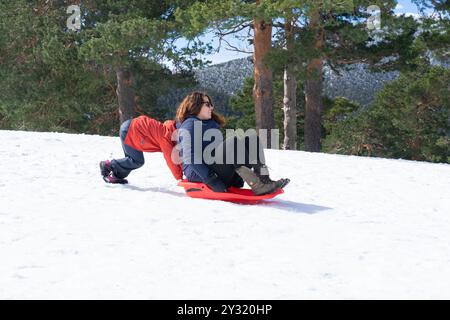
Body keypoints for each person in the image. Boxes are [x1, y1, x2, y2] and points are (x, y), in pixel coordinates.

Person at [176, 91, 289, 195]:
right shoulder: (190, 124)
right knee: (232, 142)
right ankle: (257, 185)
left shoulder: (207, 124)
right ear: (195, 105)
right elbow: (189, 156)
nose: (211, 107)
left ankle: (264, 179)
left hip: (215, 168)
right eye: (207, 104)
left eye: (211, 104)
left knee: (252, 140)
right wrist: (212, 180)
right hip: (200, 174)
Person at [99, 115, 182, 184]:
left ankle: (116, 176)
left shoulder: (167, 130)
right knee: (136, 161)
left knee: (129, 161)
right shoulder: (166, 135)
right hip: (131, 129)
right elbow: (171, 158)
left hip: (130, 128)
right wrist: (179, 177)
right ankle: (108, 165)